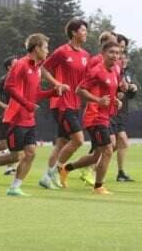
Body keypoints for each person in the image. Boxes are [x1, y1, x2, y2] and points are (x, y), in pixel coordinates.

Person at [0, 33, 64, 196]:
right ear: (36, 48)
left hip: (29, 119)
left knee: (30, 153)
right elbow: (9, 86)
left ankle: (14, 187)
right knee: (17, 156)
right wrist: (26, 104)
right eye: (45, 47)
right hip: (15, 118)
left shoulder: (37, 69)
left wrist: (53, 93)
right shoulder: (21, 64)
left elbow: (36, 93)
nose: (47, 51)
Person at [59, 41, 122, 195]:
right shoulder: (96, 71)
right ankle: (98, 187)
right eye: (111, 52)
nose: (115, 56)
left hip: (105, 117)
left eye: (117, 53)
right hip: (94, 117)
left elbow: (110, 93)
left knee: (96, 156)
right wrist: (97, 100)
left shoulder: (114, 71)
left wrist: (116, 101)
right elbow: (79, 89)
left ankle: (66, 169)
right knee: (108, 149)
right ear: (103, 53)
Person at [38, 19, 90, 189]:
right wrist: (57, 84)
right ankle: (53, 173)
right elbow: (43, 69)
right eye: (83, 30)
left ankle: (48, 178)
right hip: (61, 103)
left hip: (75, 104)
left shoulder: (85, 55)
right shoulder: (62, 51)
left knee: (61, 144)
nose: (86, 33)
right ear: (74, 32)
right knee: (78, 140)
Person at [111, 51, 138, 181]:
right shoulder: (112, 71)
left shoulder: (126, 74)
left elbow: (128, 95)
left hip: (122, 112)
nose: (124, 60)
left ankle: (120, 173)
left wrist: (133, 89)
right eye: (121, 57)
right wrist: (117, 94)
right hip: (112, 111)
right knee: (119, 141)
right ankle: (89, 166)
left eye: (125, 57)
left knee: (116, 144)